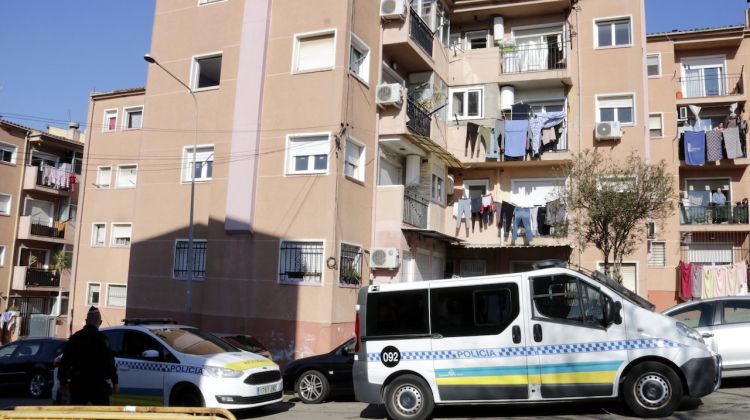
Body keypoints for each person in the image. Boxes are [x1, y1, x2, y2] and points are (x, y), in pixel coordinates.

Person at [58, 306, 118, 405]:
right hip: (98, 384)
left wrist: (63, 381)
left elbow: (65, 361)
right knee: (102, 415)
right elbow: (110, 362)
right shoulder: (102, 339)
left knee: (77, 413)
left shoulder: (76, 337)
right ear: (100, 322)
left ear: (86, 321)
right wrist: (115, 382)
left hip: (78, 384)